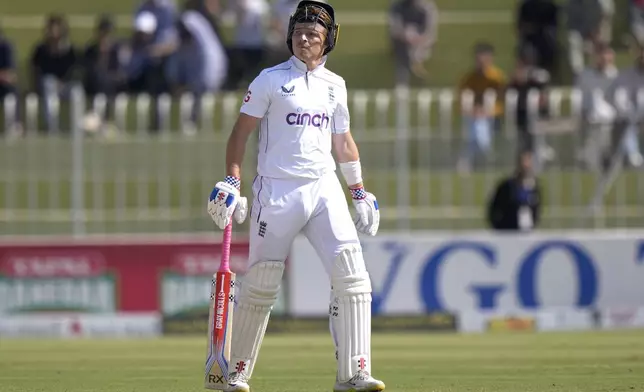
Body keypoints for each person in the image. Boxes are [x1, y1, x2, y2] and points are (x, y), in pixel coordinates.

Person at [206, 2, 384, 392]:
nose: (305, 39)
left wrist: (358, 192)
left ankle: (354, 372)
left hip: (323, 188)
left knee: (353, 278)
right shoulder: (270, 79)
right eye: (300, 32)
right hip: (277, 190)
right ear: (290, 35)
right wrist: (232, 181)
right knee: (262, 284)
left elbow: (344, 143)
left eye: (314, 35)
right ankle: (235, 372)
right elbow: (240, 134)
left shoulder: (335, 85)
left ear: (328, 41)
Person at [487, 149, 542, 231]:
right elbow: (494, 209)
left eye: (528, 162)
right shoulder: (507, 186)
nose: (526, 166)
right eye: (524, 162)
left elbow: (536, 209)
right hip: (508, 232)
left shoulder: (534, 187)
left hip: (527, 231)